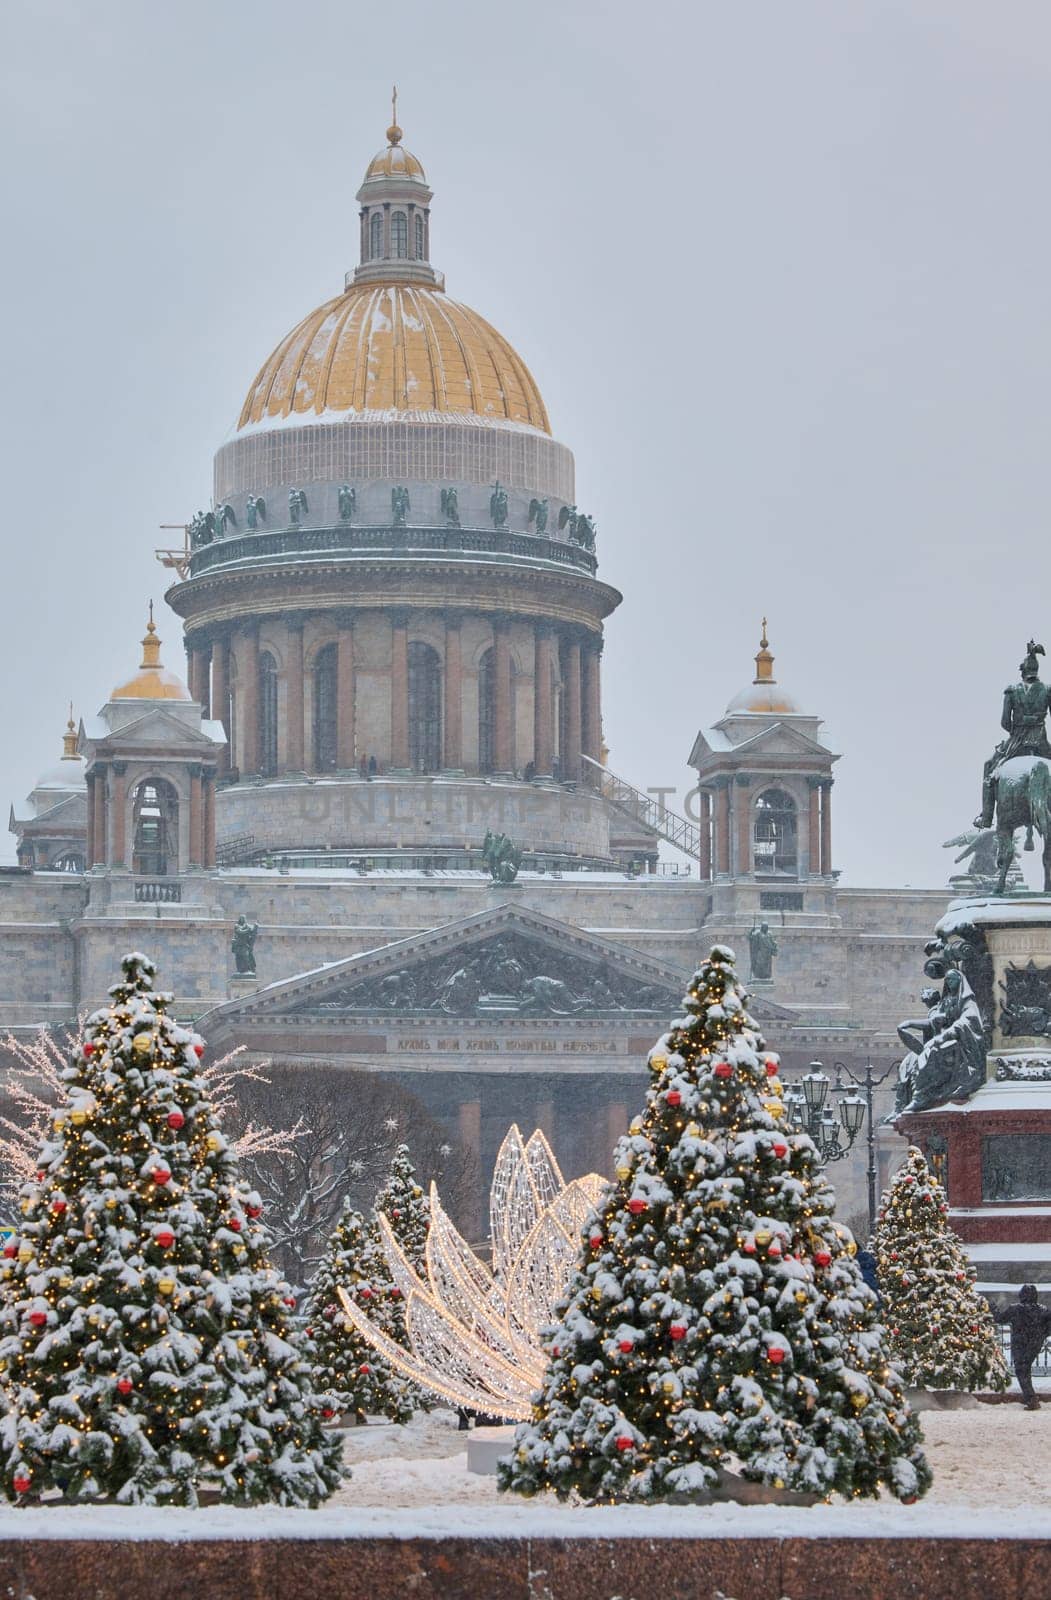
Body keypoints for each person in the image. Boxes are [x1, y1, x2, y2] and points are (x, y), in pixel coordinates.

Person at [994, 1284, 1051, 1409]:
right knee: (1025, 1370)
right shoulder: (1043, 1310)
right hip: (1034, 1344)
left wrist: (993, 1309)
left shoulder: (1015, 1309)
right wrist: (1042, 1335)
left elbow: (999, 1319)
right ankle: (1030, 1398)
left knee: (1021, 1370)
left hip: (1020, 1344)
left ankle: (1031, 1399)